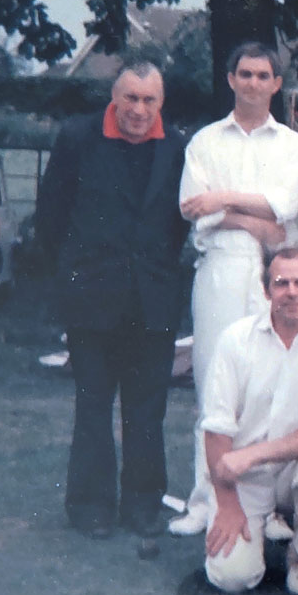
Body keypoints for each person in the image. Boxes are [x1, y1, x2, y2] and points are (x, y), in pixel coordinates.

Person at [35, 61, 189, 539]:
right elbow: (51, 217)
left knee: (147, 410)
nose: (139, 109)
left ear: (160, 104)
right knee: (93, 405)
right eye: (131, 98)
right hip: (91, 297)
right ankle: (90, 506)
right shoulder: (78, 139)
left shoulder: (179, 148)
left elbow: (180, 222)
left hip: (153, 299)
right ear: (114, 97)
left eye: (149, 100)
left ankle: (143, 506)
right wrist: (73, 277)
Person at [170, 42, 298, 537]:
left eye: (263, 75)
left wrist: (223, 202)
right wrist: (248, 217)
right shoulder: (205, 142)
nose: (253, 83)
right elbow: (195, 210)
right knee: (214, 381)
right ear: (230, 79)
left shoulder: (292, 146)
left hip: (275, 272)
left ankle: (267, 507)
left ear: (276, 83)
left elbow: (285, 208)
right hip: (222, 270)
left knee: (273, 383)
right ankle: (204, 500)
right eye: (245, 74)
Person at [201, 248, 298, 595]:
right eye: (281, 283)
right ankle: (252, 529)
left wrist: (252, 454)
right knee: (233, 578)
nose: (293, 292)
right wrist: (227, 504)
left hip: (292, 473)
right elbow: (217, 427)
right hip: (242, 480)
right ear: (266, 290)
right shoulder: (235, 340)